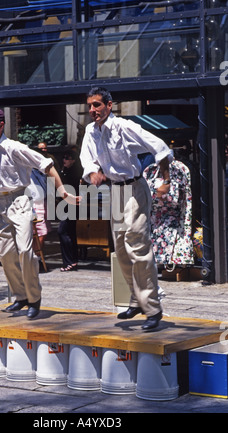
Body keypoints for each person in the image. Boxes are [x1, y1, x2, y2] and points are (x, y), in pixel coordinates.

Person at [0, 108, 80, 319]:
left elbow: (46, 165)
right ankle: (20, 297)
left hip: (19, 199)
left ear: (1, 125)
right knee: (4, 254)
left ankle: (34, 298)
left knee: (26, 252)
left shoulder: (14, 147)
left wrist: (63, 192)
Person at [80, 87, 172, 330]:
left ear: (110, 105)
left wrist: (166, 180)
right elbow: (87, 158)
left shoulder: (124, 127)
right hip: (116, 192)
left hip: (135, 189)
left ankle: (153, 308)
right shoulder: (91, 131)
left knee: (139, 248)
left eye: (97, 105)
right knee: (121, 250)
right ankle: (136, 300)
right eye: (90, 106)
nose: (92, 110)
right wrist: (93, 172)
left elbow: (160, 147)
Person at [58, 149, 83, 272]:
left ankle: (69, 261)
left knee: (63, 231)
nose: (64, 160)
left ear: (73, 160)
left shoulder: (74, 173)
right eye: (64, 157)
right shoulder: (67, 171)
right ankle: (72, 261)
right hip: (69, 204)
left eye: (67, 158)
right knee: (70, 232)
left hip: (71, 204)